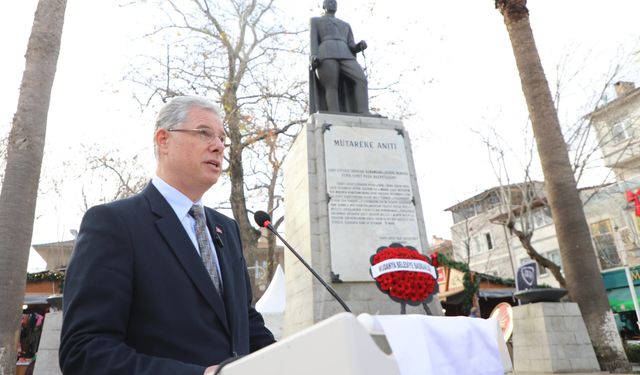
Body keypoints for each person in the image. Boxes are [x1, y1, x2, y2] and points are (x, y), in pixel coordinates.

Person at [59, 96, 275, 375]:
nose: (218, 145)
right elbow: (84, 351)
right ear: (163, 140)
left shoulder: (227, 229)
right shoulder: (114, 224)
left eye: (222, 138)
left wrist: (289, 359)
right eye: (203, 133)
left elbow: (246, 323)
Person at [309, 0, 370, 114]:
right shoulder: (315, 21)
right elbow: (313, 40)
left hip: (346, 53)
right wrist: (314, 55)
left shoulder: (345, 25)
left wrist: (359, 46)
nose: (333, 4)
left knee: (361, 80)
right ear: (324, 6)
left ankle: (364, 111)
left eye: (335, 2)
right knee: (331, 86)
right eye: (330, 2)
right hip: (326, 53)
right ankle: (334, 113)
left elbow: (351, 45)